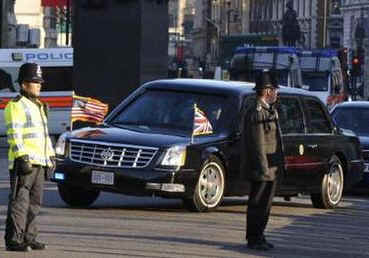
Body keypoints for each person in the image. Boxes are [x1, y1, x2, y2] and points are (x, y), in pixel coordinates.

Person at [4, 63, 55, 252]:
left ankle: (29, 237)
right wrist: (22, 156)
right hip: (23, 163)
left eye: (40, 82)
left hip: (39, 162)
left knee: (35, 204)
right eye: (35, 82)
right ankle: (14, 240)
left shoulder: (39, 106)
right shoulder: (16, 105)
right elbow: (14, 133)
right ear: (24, 85)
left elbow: (44, 134)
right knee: (20, 203)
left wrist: (51, 157)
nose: (39, 85)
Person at [243, 70, 284, 251]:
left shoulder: (269, 110)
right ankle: (254, 238)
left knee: (265, 205)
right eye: (275, 89)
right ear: (267, 91)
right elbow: (258, 144)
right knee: (257, 204)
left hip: (270, 169)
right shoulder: (257, 112)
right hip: (262, 169)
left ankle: (260, 235)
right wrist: (263, 169)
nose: (277, 93)